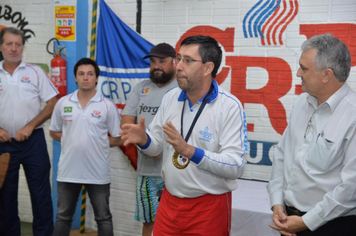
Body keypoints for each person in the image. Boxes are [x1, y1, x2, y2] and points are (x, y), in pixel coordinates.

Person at [120, 35, 247, 236]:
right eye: (179, 58)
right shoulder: (170, 98)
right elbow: (156, 147)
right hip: (169, 202)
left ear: (207, 68)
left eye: (187, 61)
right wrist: (144, 140)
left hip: (208, 207)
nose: (178, 66)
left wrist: (190, 151)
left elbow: (236, 166)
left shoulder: (229, 106)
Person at [267, 34, 356, 236]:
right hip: (288, 219)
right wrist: (276, 203)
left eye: (304, 68)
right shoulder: (301, 103)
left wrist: (307, 221)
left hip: (332, 226)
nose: (298, 73)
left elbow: (351, 189)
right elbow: (283, 156)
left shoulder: (353, 115)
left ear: (326, 75)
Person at [49, 58, 122, 236]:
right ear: (75, 77)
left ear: (97, 78)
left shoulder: (107, 106)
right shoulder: (63, 103)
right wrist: (70, 139)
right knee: (63, 217)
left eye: (90, 74)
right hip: (68, 171)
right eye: (81, 74)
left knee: (103, 217)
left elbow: (119, 138)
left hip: (97, 173)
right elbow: (53, 131)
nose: (86, 78)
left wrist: (100, 142)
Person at [0, 27, 58, 236]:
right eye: (9, 44)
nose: (14, 49)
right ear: (1, 46)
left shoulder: (35, 72)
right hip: (3, 143)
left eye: (18, 44)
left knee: (41, 195)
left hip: (33, 142)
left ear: (23, 47)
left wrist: (30, 126)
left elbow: (52, 102)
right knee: (5, 198)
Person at [121, 42, 177, 236]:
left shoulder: (182, 89)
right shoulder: (141, 88)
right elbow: (127, 123)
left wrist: (162, 147)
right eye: (153, 61)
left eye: (162, 61)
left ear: (175, 62)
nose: (156, 66)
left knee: (176, 224)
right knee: (149, 224)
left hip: (176, 172)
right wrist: (145, 145)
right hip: (147, 172)